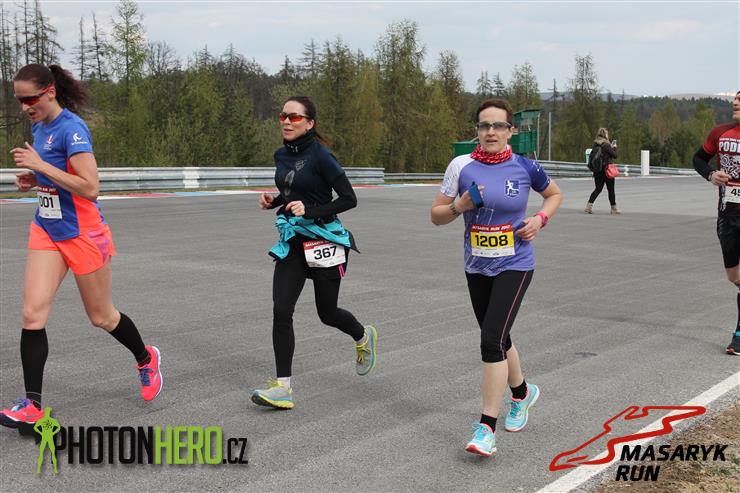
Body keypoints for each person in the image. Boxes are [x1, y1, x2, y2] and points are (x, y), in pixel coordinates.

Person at [0, 64, 162, 429]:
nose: (25, 107)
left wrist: (41, 166)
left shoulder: (72, 129)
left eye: (30, 99)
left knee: (101, 317)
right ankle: (32, 405)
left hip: (82, 233)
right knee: (32, 314)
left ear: (50, 92)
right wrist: (34, 178)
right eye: (19, 100)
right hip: (47, 229)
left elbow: (90, 187)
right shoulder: (39, 125)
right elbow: (57, 176)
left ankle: (145, 357)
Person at [431, 98, 562, 457]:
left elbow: (554, 194)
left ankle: (486, 428)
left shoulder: (525, 166)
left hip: (515, 263)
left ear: (510, 131)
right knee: (499, 337)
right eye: (484, 125)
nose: (491, 132)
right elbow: (436, 215)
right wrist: (458, 206)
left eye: (498, 126)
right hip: (477, 265)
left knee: (491, 340)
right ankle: (522, 394)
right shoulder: (461, 166)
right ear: (477, 130)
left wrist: (540, 219)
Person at [251, 96, 377, 410]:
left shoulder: (322, 155)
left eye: (294, 117)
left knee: (327, 313)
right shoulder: (281, 154)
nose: (286, 121)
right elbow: (295, 190)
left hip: (325, 240)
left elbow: (348, 199)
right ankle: (283, 388)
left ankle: (362, 336)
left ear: (309, 123)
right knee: (281, 310)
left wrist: (310, 210)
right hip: (294, 241)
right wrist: (276, 201)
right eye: (283, 115)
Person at [692, 90, 740, 355]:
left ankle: (739, 335)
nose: (735, 102)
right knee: (734, 276)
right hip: (727, 216)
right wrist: (711, 175)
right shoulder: (720, 133)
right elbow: (698, 159)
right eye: (735, 99)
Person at [585, 128, 620, 214]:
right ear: (605, 135)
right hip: (607, 171)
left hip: (597, 171)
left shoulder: (595, 144)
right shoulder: (606, 145)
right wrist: (614, 147)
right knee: (611, 190)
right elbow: (615, 155)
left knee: (598, 189)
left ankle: (588, 206)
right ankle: (614, 209)